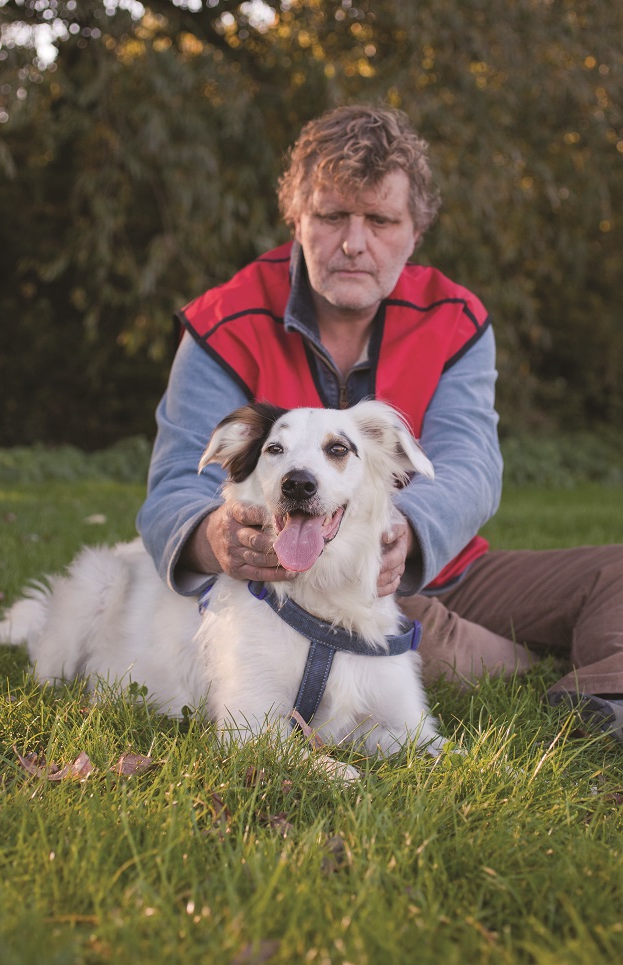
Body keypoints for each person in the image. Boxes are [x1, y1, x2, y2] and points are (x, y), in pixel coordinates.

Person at [137, 104, 623, 740]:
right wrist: (215, 537)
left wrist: (408, 534)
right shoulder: (223, 321)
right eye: (333, 215)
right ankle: (553, 663)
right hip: (303, 584)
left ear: (415, 231)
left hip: (436, 560)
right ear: (298, 221)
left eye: (381, 220)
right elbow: (176, 480)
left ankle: (603, 697)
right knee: (404, 639)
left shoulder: (455, 317)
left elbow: (469, 463)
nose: (354, 242)